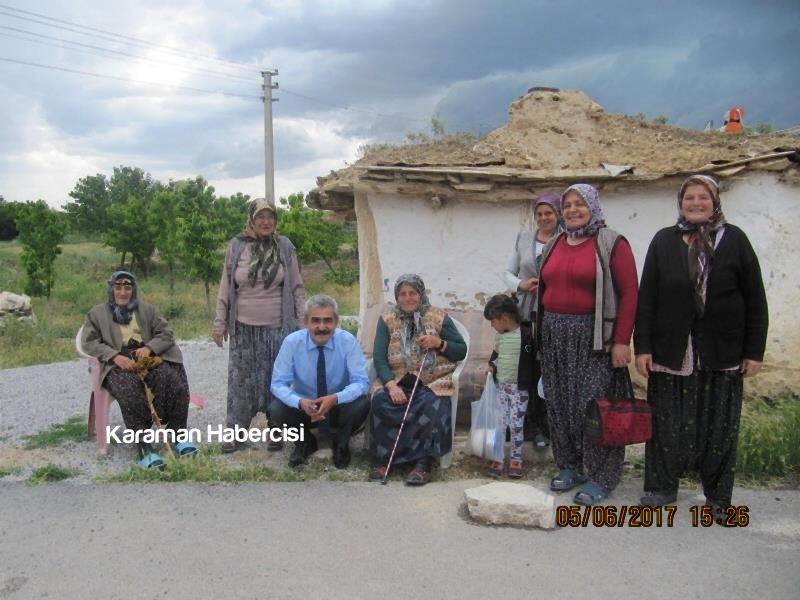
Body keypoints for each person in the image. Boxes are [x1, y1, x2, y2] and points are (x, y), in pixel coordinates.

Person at [634, 174, 768, 519]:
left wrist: (754, 352)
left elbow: (755, 298)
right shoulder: (665, 240)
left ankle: (719, 498)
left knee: (719, 426)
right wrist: (643, 347)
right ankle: (662, 487)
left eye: (702, 197)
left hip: (722, 351)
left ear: (715, 201)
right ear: (680, 203)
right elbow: (647, 296)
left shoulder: (735, 239)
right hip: (671, 349)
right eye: (689, 198)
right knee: (666, 423)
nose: (695, 203)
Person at [535, 183, 638, 506]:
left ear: (593, 206)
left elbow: (630, 294)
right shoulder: (555, 242)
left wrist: (621, 341)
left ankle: (602, 476)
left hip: (594, 338)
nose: (573, 210)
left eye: (580, 204)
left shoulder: (611, 243)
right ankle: (570, 465)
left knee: (593, 407)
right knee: (560, 402)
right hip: (555, 336)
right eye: (567, 205)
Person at [213, 198, 306, 453]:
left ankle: (275, 431)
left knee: (277, 380)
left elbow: (297, 287)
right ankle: (235, 432)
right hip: (244, 327)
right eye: (261, 217)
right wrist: (220, 322)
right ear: (251, 220)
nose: (266, 222)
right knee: (241, 382)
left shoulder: (285, 247)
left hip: (278, 328)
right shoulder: (237, 246)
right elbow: (226, 286)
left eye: (271, 217)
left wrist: (302, 323)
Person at [81, 270, 196, 469]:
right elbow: (89, 342)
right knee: (131, 390)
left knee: (171, 381)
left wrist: (150, 347)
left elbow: (166, 333)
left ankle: (178, 437)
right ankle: (143, 447)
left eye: (128, 288)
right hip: (117, 362)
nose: (123, 293)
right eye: (118, 288)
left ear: (134, 290)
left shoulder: (148, 310)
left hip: (147, 355)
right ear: (111, 290)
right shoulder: (97, 314)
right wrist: (115, 356)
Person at [369, 274, 467, 485]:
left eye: (412, 293)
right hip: (397, 380)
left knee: (432, 405)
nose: (408, 298)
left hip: (432, 381)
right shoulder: (386, 320)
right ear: (397, 297)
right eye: (402, 294)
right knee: (381, 402)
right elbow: (378, 357)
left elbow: (460, 350)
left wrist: (438, 343)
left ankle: (423, 463)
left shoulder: (438, 316)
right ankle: (386, 459)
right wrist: (391, 385)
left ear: (421, 294)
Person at [269, 295, 370, 469]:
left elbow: (361, 382)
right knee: (275, 409)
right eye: (315, 321)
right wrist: (300, 402)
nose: (322, 327)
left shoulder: (347, 341)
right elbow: (277, 384)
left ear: (336, 322)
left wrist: (335, 398)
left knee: (362, 403)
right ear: (305, 322)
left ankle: (341, 443)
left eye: (327, 321)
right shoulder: (292, 343)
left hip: (337, 407)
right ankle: (305, 443)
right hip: (305, 408)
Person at [503, 192, 562, 448]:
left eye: (548, 213)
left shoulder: (566, 238)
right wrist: (521, 284)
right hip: (528, 313)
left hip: (556, 313)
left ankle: (550, 427)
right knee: (528, 369)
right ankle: (530, 426)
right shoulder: (524, 238)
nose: (543, 218)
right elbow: (507, 272)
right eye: (539, 214)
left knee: (550, 370)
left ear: (557, 214)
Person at [484, 294, 535, 478]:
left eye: (493, 321)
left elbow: (533, 360)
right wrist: (491, 366)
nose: (492, 325)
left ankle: (516, 459)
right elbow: (496, 356)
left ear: (504, 318)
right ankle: (498, 458)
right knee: (499, 424)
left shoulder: (526, 334)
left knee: (516, 425)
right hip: (501, 389)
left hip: (519, 390)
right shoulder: (500, 338)